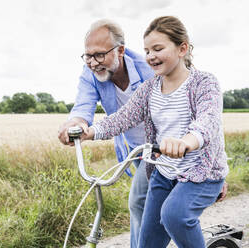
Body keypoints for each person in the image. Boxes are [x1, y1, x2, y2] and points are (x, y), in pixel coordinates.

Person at [81, 16, 229, 248]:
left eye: (158, 49)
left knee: (174, 216)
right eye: (147, 50)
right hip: (164, 172)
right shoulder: (149, 88)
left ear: (182, 48)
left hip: (201, 173)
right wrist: (90, 132)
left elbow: (207, 122)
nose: (150, 56)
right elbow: (123, 118)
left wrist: (186, 142)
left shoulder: (204, 83)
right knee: (147, 241)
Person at [57, 19, 154, 248]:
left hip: (162, 147)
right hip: (136, 150)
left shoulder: (149, 69)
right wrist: (77, 124)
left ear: (120, 50)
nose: (93, 62)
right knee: (148, 207)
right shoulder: (90, 72)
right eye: (88, 55)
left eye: (99, 55)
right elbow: (83, 106)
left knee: (139, 202)